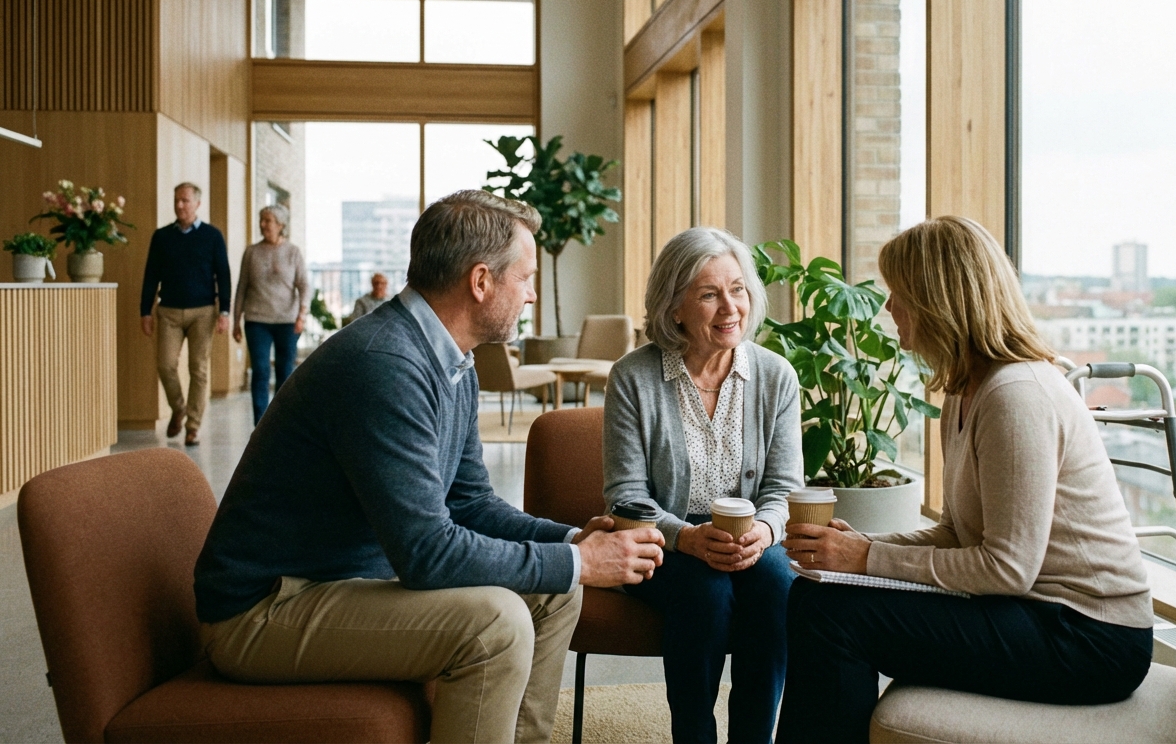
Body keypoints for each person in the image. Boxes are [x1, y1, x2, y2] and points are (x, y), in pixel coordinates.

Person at [194, 190, 665, 744]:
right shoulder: (386, 365)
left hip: (338, 585)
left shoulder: (451, 361)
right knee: (497, 622)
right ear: (481, 280)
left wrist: (571, 539)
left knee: (557, 589)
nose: (532, 295)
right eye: (525, 277)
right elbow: (426, 554)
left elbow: (470, 503)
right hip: (265, 610)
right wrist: (576, 560)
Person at [775, 216, 1155, 743]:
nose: (888, 308)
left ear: (939, 301)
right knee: (816, 597)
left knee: (832, 617)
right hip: (1032, 611)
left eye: (899, 293)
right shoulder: (964, 391)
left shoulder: (1016, 396)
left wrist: (865, 560)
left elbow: (1007, 568)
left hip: (1090, 637)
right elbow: (957, 534)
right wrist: (861, 547)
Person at [604, 226, 803, 743]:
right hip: (664, 542)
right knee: (705, 592)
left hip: (748, 537)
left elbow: (783, 488)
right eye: (709, 294)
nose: (729, 308)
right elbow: (625, 497)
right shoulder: (633, 376)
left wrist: (765, 529)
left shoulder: (776, 376)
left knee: (777, 583)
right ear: (674, 308)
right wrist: (686, 538)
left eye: (737, 290)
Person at [140, 181, 232, 446]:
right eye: (177, 200)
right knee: (165, 365)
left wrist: (224, 310)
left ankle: (193, 425)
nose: (180, 205)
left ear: (197, 204)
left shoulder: (212, 236)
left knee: (198, 369)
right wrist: (145, 311)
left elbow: (223, 275)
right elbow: (150, 276)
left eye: (185, 201)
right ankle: (178, 407)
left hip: (203, 311)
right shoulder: (161, 237)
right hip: (168, 310)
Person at [231, 204, 310, 425]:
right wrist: (236, 320)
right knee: (261, 369)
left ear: (281, 225)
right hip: (257, 319)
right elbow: (241, 287)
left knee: (285, 373)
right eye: (262, 220)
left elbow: (304, 285)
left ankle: (281, 423)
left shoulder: (293, 252)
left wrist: (302, 314)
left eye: (268, 220)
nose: (263, 224)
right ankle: (261, 424)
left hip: (287, 321)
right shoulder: (252, 252)